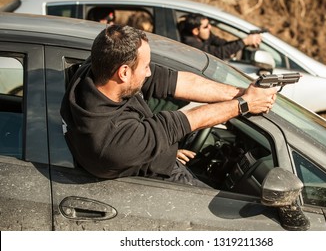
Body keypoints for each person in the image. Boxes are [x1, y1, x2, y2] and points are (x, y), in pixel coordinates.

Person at [60, 24, 277, 187]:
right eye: (145, 67)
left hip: (158, 158)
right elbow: (187, 121)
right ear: (124, 72)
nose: (149, 72)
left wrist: (241, 93)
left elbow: (176, 82)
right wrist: (244, 104)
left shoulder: (96, 70)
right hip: (159, 185)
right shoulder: (109, 140)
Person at [180, 13, 262, 60]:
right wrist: (245, 41)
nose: (210, 27)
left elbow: (223, 44)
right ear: (195, 31)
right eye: (205, 27)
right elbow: (216, 53)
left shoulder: (204, 35)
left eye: (209, 24)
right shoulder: (189, 43)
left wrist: (246, 42)